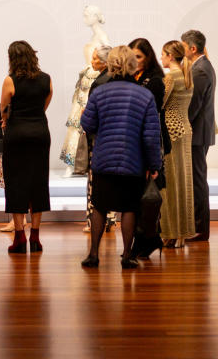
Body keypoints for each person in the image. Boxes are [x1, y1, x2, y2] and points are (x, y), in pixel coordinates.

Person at [80, 46, 162, 269]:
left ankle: (93, 254)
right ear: (132, 65)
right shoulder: (144, 95)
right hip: (132, 160)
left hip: (104, 157)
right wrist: (154, 164)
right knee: (129, 208)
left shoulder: (99, 92)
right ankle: (127, 255)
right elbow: (151, 136)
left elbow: (87, 124)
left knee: (99, 205)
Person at [0, 41, 53, 253]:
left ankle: (19, 237)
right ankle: (36, 238)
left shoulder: (10, 81)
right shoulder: (46, 79)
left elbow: (4, 110)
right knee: (38, 184)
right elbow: (45, 105)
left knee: (16, 183)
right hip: (40, 133)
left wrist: (8, 120)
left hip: (17, 135)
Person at [127, 37, 166, 259]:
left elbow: (153, 116)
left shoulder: (155, 80)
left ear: (148, 57)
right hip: (136, 140)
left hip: (151, 140)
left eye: (139, 57)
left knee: (147, 194)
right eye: (132, 57)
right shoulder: (134, 77)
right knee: (139, 195)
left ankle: (146, 240)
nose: (135, 61)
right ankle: (148, 239)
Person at [181, 29, 216, 242]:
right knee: (196, 179)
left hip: (197, 133)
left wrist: (180, 123)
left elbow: (194, 104)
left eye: (183, 47)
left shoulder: (201, 70)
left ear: (192, 48)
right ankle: (196, 225)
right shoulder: (200, 67)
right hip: (198, 132)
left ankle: (201, 228)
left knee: (198, 180)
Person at [159, 41, 195, 248]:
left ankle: (172, 231)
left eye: (163, 54)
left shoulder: (170, 77)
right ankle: (181, 233)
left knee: (171, 183)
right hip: (185, 130)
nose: (161, 58)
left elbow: (159, 104)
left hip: (171, 132)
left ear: (170, 56)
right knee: (184, 182)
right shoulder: (186, 75)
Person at [83, 45, 115, 233]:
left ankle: (94, 220)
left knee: (95, 180)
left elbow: (91, 116)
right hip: (113, 137)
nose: (92, 61)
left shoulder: (99, 84)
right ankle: (110, 217)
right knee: (110, 178)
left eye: (95, 58)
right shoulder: (116, 80)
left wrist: (84, 116)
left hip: (99, 138)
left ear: (104, 63)